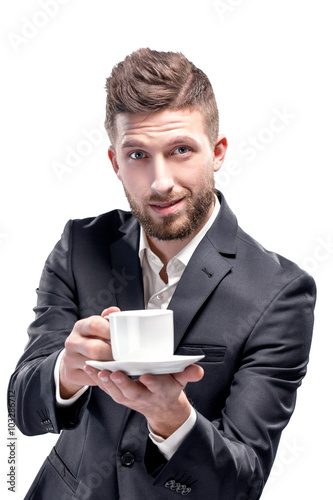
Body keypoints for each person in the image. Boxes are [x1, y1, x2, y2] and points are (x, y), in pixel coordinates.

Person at [8, 48, 316, 500]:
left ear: (217, 152)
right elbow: (22, 410)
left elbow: (242, 481)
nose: (160, 182)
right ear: (115, 163)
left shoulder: (280, 292)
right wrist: (64, 373)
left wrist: (173, 419)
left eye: (181, 150)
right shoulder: (80, 247)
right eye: (138, 155)